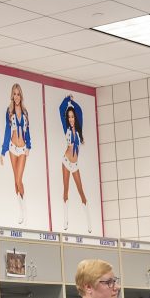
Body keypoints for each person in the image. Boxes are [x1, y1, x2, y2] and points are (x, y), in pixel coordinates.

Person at [59, 95, 92, 232]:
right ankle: (66, 220)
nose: (71, 119)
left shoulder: (79, 129)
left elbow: (80, 111)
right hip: (66, 162)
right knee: (65, 190)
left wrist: (72, 102)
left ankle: (89, 222)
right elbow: (61, 109)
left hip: (75, 164)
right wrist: (66, 99)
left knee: (81, 191)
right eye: (69, 117)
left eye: (72, 116)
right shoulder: (66, 127)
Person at [0, 83, 31, 224]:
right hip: (12, 148)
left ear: (21, 95)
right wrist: (3, 150)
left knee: (19, 179)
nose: (16, 96)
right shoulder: (9, 111)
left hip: (22, 148)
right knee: (15, 180)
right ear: (12, 95)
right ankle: (21, 210)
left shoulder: (25, 112)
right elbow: (7, 131)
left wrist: (28, 145)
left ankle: (24, 210)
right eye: (14, 94)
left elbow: (27, 131)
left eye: (18, 94)